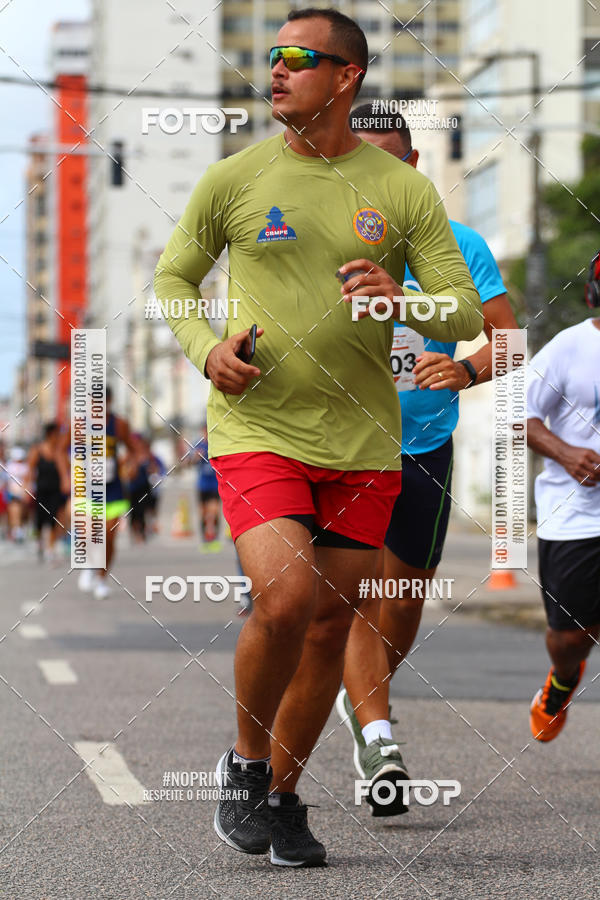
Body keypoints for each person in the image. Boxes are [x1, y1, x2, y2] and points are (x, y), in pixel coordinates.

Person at [154, 7, 481, 868]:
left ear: (346, 76)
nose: (277, 69)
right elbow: (174, 278)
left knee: (332, 623)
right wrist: (206, 349)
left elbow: (462, 311)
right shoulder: (234, 178)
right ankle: (246, 763)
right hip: (258, 426)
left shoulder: (401, 190)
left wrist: (402, 297)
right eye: (273, 55)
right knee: (286, 599)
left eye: (298, 57)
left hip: (365, 442)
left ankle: (284, 798)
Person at [335, 107, 519, 815]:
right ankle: (379, 736)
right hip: (344, 446)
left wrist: (467, 370)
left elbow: (509, 340)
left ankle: (364, 700)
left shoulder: (459, 245)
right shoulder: (326, 241)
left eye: (386, 161)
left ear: (412, 167)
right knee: (359, 598)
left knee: (405, 600)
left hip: (424, 446)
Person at [527, 314, 600, 741]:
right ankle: (563, 677)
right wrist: (566, 453)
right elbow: (518, 413)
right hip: (575, 516)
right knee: (570, 638)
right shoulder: (568, 346)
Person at [77, 386, 134, 598]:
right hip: (88, 486)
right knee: (89, 532)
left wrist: (128, 465)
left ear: (109, 402)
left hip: (113, 487)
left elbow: (133, 449)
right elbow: (61, 450)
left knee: (109, 535)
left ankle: (101, 579)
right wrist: (67, 473)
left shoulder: (119, 424)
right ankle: (89, 566)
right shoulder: (81, 424)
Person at [27, 422, 68, 562]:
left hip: (55, 491)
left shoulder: (59, 451)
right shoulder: (37, 450)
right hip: (41, 490)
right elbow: (30, 470)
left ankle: (50, 547)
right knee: (40, 520)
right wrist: (26, 487)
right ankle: (39, 544)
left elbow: (65, 470)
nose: (60, 437)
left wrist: (66, 482)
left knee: (53, 518)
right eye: (57, 434)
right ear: (51, 434)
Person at [194, 426, 222, 552]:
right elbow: (189, 462)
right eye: (204, 432)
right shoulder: (199, 446)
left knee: (214, 512)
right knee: (203, 513)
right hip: (202, 485)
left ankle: (215, 538)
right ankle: (204, 540)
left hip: (214, 485)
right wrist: (196, 457)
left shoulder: (216, 445)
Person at [5, 446, 29, 543]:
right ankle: (16, 530)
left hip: (22, 492)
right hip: (13, 492)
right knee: (14, 511)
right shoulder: (10, 465)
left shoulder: (25, 466)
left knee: (21, 512)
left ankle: (18, 529)